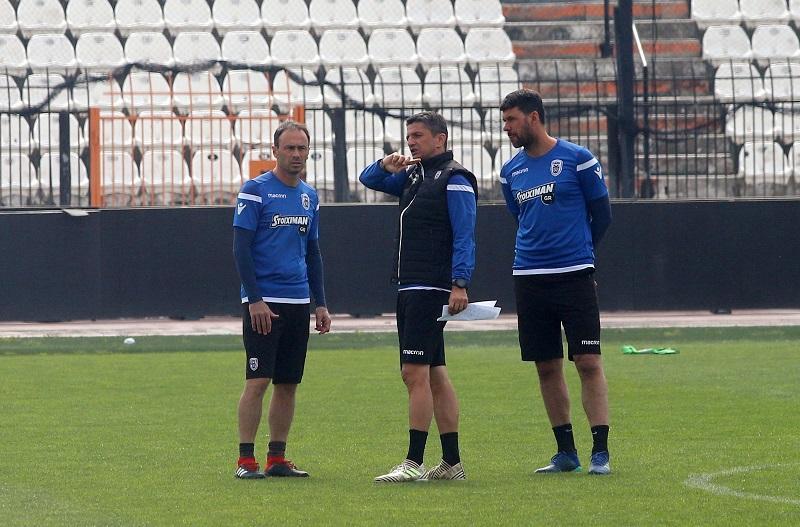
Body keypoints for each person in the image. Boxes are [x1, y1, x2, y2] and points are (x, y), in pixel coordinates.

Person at [498, 89, 613, 475]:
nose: (507, 128)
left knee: (588, 361)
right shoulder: (510, 172)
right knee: (546, 366)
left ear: (533, 117)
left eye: (512, 120)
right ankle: (566, 452)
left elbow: (602, 214)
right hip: (529, 277)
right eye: (504, 121)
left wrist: (583, 255)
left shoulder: (578, 159)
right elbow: (520, 217)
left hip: (574, 275)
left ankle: (600, 452)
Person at [359, 111, 478, 482]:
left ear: (440, 139)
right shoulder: (412, 175)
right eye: (409, 136)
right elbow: (368, 179)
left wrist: (460, 282)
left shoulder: (455, 178)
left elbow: (465, 235)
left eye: (418, 136)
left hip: (429, 287)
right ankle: (452, 464)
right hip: (410, 286)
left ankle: (413, 463)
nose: (411, 142)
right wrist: (385, 164)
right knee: (435, 374)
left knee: (413, 373)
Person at [232, 120, 331, 479]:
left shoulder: (309, 196)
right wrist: (254, 299)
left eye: (302, 148)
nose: (296, 154)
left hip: (298, 301)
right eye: (289, 148)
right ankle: (246, 461)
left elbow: (313, 253)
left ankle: (276, 458)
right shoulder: (255, 191)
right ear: (275, 151)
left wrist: (320, 303)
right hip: (264, 303)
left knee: (288, 384)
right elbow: (241, 249)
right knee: (258, 380)